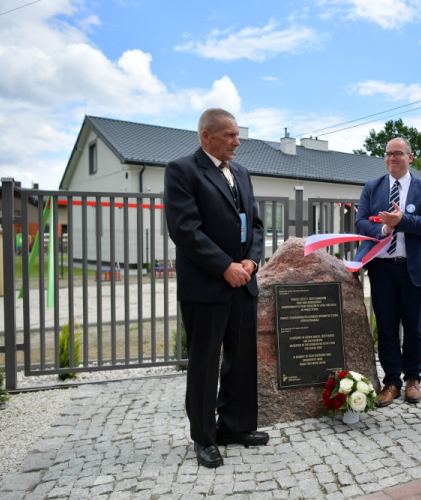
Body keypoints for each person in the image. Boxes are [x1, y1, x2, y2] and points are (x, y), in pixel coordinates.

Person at [164, 108, 268, 468]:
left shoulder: (240, 172)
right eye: (229, 135)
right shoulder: (182, 170)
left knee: (241, 361)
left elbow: (254, 223)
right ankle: (204, 438)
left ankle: (235, 427)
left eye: (237, 135)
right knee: (206, 365)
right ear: (206, 136)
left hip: (243, 282)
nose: (237, 142)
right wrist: (225, 267)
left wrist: (251, 262)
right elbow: (185, 229)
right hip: (207, 287)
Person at [355, 138, 421, 406]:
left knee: (414, 328)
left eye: (398, 154)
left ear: (410, 157)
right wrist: (383, 230)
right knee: (387, 327)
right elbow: (360, 222)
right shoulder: (373, 186)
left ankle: (413, 379)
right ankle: (391, 381)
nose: (392, 158)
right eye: (388, 154)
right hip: (381, 268)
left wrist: (402, 221)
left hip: (413, 268)